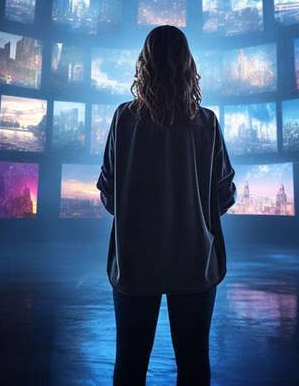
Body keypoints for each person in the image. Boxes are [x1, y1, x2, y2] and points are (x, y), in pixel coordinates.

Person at [96, 25, 237, 386]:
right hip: (194, 262)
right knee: (194, 364)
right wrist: (190, 212)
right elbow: (225, 195)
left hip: (135, 262)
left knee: (129, 364)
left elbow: (109, 195)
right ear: (188, 65)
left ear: (144, 65)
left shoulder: (124, 119)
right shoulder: (206, 123)